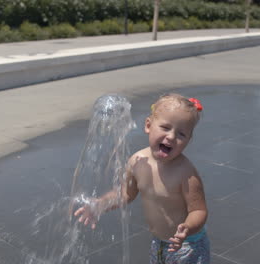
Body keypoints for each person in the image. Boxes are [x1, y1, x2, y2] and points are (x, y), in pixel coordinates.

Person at [74, 93, 210, 264]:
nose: (171, 137)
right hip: (158, 242)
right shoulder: (137, 161)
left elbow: (199, 211)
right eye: (165, 128)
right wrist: (100, 204)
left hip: (187, 245)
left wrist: (187, 228)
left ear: (188, 140)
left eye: (181, 134)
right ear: (148, 125)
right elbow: (125, 194)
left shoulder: (186, 173)